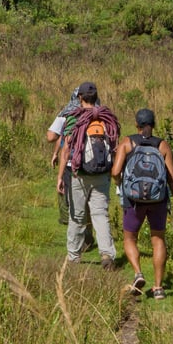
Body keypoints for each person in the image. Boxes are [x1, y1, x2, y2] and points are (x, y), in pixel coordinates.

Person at [111, 108, 173, 299]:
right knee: (158, 240)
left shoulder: (127, 142)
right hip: (158, 200)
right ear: (154, 125)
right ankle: (159, 287)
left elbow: (114, 171)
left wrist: (121, 184)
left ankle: (138, 273)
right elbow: (172, 179)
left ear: (137, 125)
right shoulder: (162, 146)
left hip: (133, 200)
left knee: (129, 238)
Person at [56, 82, 119, 267]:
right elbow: (114, 146)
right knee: (100, 214)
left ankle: (74, 257)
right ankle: (107, 254)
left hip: (79, 174)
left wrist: (60, 176)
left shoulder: (75, 118)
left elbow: (66, 149)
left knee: (77, 215)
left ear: (80, 98)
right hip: (102, 174)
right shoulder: (107, 118)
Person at [46, 87, 95, 250]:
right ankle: (87, 235)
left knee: (74, 201)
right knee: (88, 200)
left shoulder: (68, 112)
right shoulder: (99, 112)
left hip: (72, 163)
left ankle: (80, 240)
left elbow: (52, 136)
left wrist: (57, 154)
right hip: (93, 163)